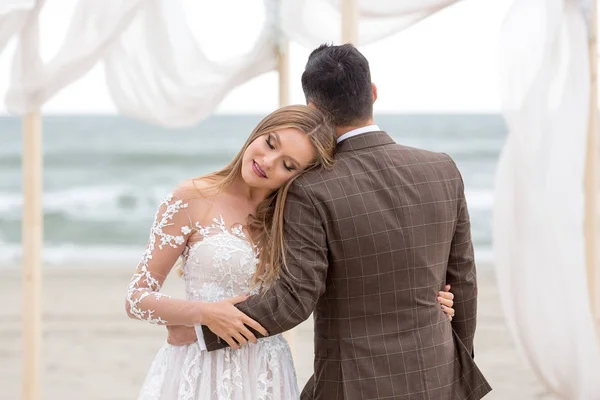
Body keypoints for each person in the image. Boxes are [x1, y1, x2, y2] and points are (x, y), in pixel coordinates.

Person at [173, 44, 492, 400]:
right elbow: (462, 281)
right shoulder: (442, 170)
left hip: (351, 384)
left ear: (312, 109)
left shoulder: (310, 188)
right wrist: (457, 369)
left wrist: (202, 331)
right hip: (438, 375)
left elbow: (294, 300)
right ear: (372, 93)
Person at [126, 104, 458, 399]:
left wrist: (431, 299)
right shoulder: (192, 197)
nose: (267, 162)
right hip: (197, 366)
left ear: (300, 176)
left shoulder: (295, 220)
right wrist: (203, 313)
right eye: (270, 143)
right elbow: (137, 298)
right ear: (259, 132)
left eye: (287, 164)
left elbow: (347, 281)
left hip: (266, 370)